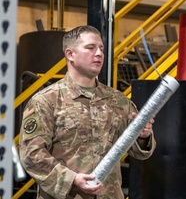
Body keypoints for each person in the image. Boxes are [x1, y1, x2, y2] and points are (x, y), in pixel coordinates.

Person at [19, 25, 156, 199]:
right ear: (70, 54)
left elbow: (138, 152)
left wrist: (143, 137)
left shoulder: (118, 101)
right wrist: (72, 179)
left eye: (101, 49)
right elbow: (31, 154)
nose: (98, 53)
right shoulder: (47, 101)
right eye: (90, 48)